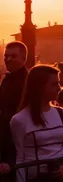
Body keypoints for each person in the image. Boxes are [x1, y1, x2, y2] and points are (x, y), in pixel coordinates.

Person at [0, 41, 29, 169]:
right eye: (6, 56)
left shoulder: (29, 80)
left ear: (24, 58)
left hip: (20, 136)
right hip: (4, 134)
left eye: (13, 56)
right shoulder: (6, 79)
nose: (8, 59)